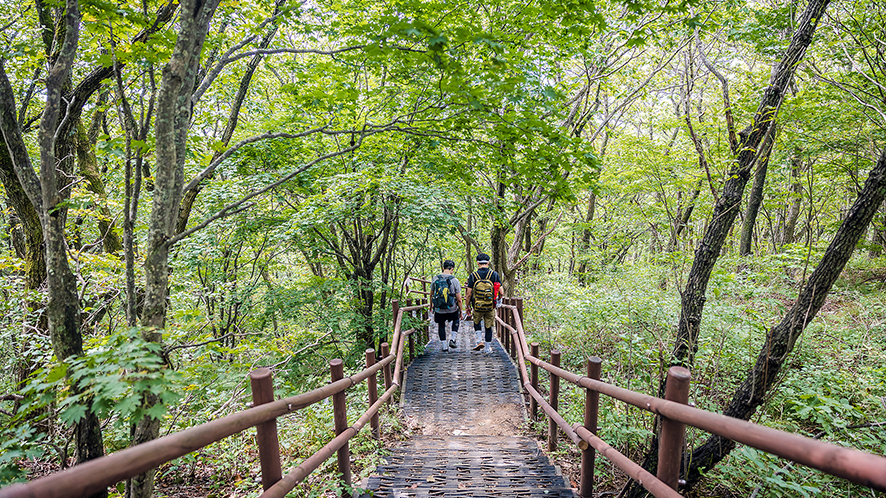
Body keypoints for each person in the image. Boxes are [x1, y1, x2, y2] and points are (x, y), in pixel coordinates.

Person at [464, 253, 501, 354]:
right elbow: (501, 291)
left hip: (477, 306)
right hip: (490, 306)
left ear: (478, 263)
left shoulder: (473, 276)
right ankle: (487, 348)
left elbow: (468, 294)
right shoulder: (494, 275)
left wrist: (467, 306)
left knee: (477, 322)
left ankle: (479, 340)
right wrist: (498, 301)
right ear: (488, 263)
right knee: (489, 326)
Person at [431, 260, 462, 352]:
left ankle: (444, 346)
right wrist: (460, 310)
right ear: (452, 269)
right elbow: (459, 298)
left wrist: (431, 306)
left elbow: (431, 294)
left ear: (443, 268)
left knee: (441, 324)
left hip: (439, 308)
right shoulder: (454, 280)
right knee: (456, 319)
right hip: (452, 308)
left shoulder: (435, 279)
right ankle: (452, 339)